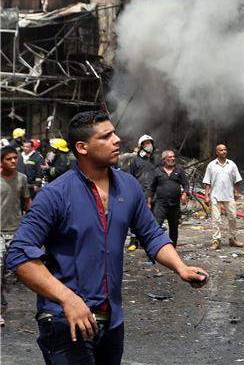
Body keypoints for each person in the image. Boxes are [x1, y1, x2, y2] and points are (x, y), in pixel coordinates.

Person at [5, 111, 208, 365]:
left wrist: (181, 267)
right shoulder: (56, 195)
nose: (117, 140)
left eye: (114, 132)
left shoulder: (128, 187)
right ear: (82, 147)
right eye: (106, 136)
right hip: (64, 320)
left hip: (111, 321)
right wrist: (67, 298)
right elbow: (19, 254)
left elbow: (151, 234)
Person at [1, 146, 32, 327]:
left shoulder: (22, 179)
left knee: (10, 274)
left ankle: (3, 300)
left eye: (15, 158)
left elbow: (28, 204)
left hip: (15, 232)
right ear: (1, 162)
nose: (13, 161)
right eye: (9, 159)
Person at [202, 144, 243, 249]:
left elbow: (237, 180)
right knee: (216, 219)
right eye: (221, 150)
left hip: (229, 195)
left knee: (233, 217)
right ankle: (216, 240)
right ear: (217, 152)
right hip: (215, 195)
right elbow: (207, 182)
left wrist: (237, 192)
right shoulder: (211, 165)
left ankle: (232, 238)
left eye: (225, 150)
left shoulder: (232, 164)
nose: (224, 152)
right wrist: (206, 196)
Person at [148, 149, 188, 246]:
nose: (173, 158)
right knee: (156, 226)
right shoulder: (157, 171)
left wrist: (184, 194)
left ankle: (172, 250)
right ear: (164, 159)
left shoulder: (179, 170)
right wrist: (148, 203)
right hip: (161, 204)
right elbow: (151, 188)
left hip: (174, 205)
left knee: (174, 228)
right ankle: (154, 249)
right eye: (170, 157)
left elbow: (186, 184)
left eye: (173, 157)